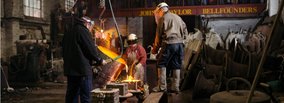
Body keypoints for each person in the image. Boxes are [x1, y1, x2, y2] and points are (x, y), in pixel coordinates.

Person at [62, 1, 108, 103]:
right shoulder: (82, 30)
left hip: (71, 71)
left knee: (71, 96)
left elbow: (64, 50)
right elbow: (90, 50)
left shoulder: (69, 31)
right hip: (82, 71)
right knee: (85, 98)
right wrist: (99, 60)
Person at [151, 2, 188, 93]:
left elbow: (158, 37)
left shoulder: (162, 19)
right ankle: (175, 87)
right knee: (176, 65)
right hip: (179, 44)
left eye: (158, 12)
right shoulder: (178, 17)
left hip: (168, 44)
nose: (158, 14)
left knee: (161, 63)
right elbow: (185, 30)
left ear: (160, 10)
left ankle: (162, 87)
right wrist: (182, 40)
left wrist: (155, 50)